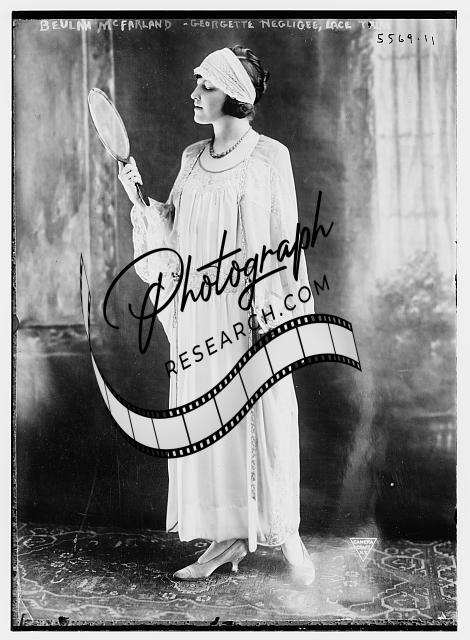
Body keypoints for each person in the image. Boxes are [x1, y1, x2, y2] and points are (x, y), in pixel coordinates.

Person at [118, 45, 315, 585]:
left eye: (204, 85)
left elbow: (286, 241)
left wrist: (278, 313)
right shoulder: (191, 158)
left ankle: (286, 531)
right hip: (200, 315)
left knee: (267, 419)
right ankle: (225, 542)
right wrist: (141, 199)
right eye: (197, 84)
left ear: (234, 93)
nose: (194, 94)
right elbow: (174, 229)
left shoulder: (270, 156)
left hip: (251, 315)